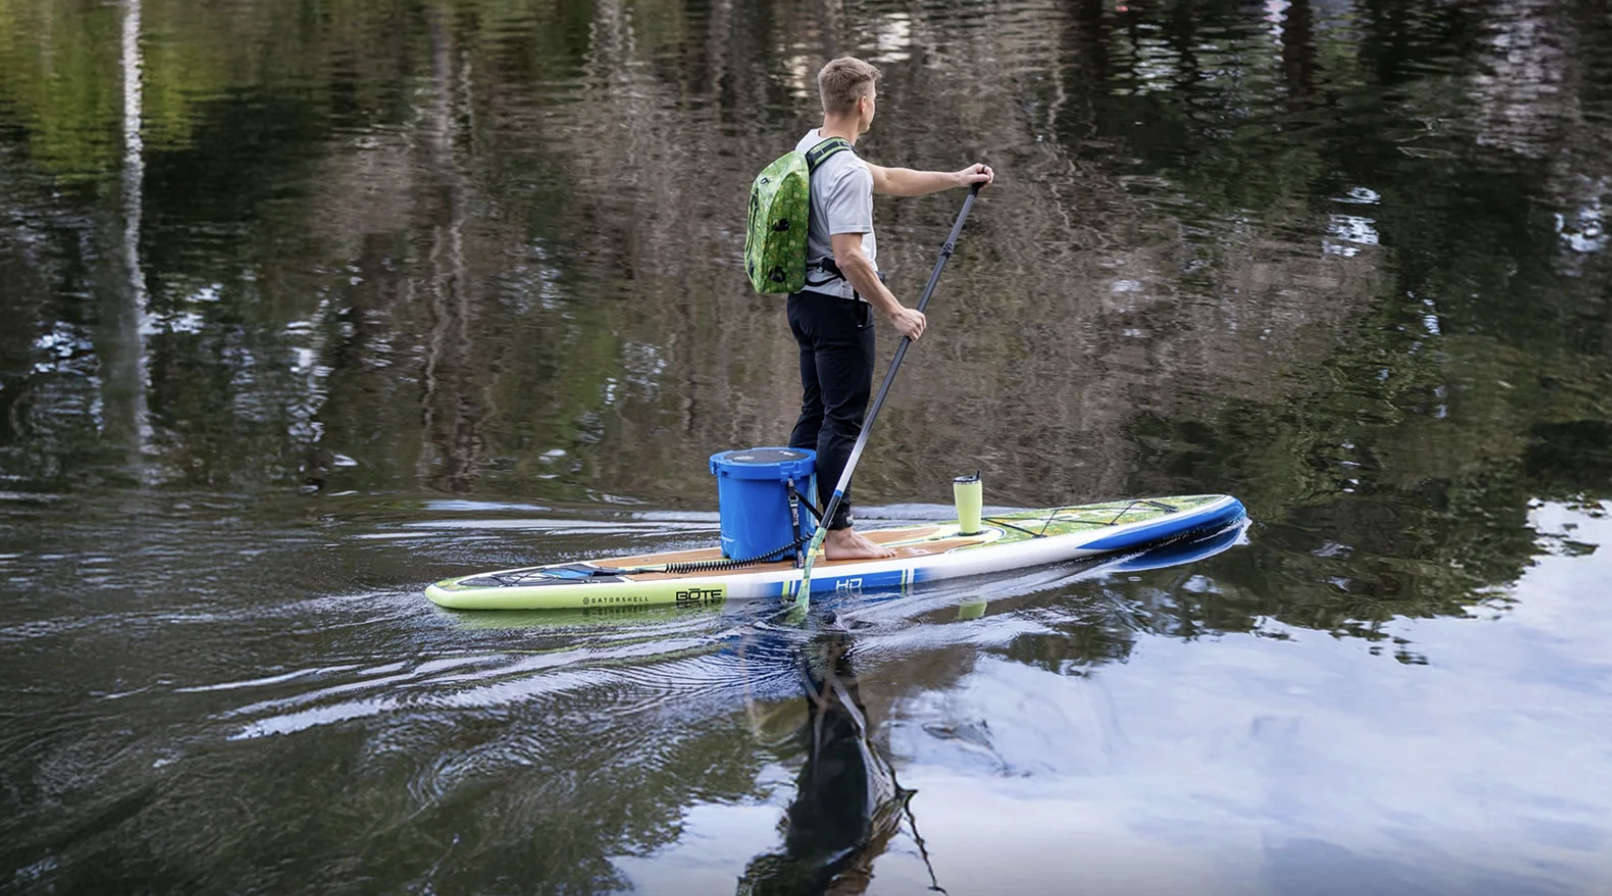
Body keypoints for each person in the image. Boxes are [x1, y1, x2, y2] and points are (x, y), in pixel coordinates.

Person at [787, 57, 994, 560]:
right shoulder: (847, 172)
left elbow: (890, 178)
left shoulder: (810, 147)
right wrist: (896, 310)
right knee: (842, 420)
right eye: (874, 99)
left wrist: (955, 177)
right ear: (863, 104)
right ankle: (837, 536)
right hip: (841, 310)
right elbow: (849, 255)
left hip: (804, 304)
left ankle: (795, 522)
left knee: (815, 413)